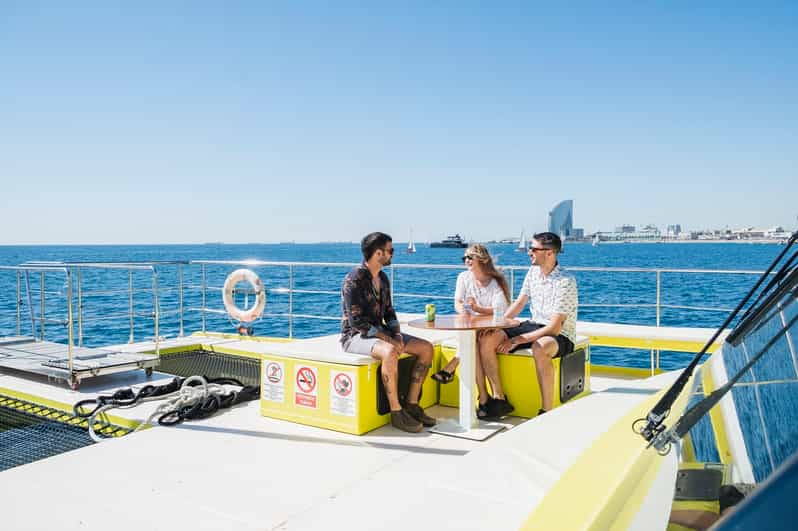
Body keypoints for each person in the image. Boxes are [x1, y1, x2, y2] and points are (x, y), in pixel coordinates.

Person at [340, 231, 436, 433]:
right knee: (390, 352)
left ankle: (411, 403)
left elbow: (389, 311)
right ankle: (396, 412)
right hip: (355, 336)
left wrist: (397, 334)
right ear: (377, 253)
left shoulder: (383, 278)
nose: (393, 254)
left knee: (426, 348)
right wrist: (388, 339)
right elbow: (356, 322)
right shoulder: (353, 280)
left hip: (381, 333)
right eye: (390, 250)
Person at [478, 232, 578, 419]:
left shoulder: (566, 281)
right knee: (487, 337)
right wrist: (497, 325)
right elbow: (519, 303)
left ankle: (546, 411)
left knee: (540, 347)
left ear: (549, 253)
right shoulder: (533, 272)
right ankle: (499, 399)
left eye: (533, 249)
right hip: (533, 325)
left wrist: (516, 339)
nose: (529, 252)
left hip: (560, 334)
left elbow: (554, 328)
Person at [432, 244, 511, 416]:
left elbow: (500, 310)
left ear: (481, 260)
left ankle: (453, 368)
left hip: (493, 327)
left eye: (469, 257)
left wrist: (478, 310)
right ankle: (484, 398)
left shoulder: (496, 282)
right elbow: (458, 302)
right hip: (472, 326)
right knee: (471, 342)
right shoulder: (463, 277)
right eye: (464, 258)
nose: (466, 261)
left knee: (474, 341)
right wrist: (468, 316)